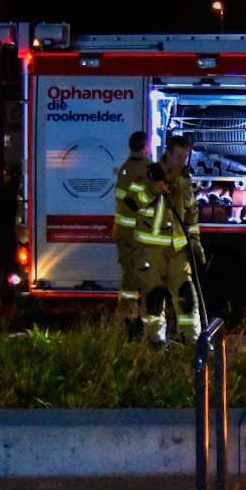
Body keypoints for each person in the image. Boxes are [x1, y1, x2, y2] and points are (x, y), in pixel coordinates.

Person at [131, 135, 206, 347]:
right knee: (154, 300)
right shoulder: (149, 175)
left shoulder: (184, 181)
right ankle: (154, 344)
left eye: (186, 156)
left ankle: (192, 344)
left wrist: (195, 241)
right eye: (180, 156)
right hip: (152, 251)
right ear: (169, 153)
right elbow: (133, 203)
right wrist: (150, 192)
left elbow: (191, 216)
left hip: (178, 253)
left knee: (187, 298)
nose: (183, 160)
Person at [114, 131, 149, 337]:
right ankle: (142, 322)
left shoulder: (125, 169)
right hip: (139, 233)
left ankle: (128, 317)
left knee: (128, 279)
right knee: (144, 278)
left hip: (123, 233)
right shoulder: (146, 169)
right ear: (145, 147)